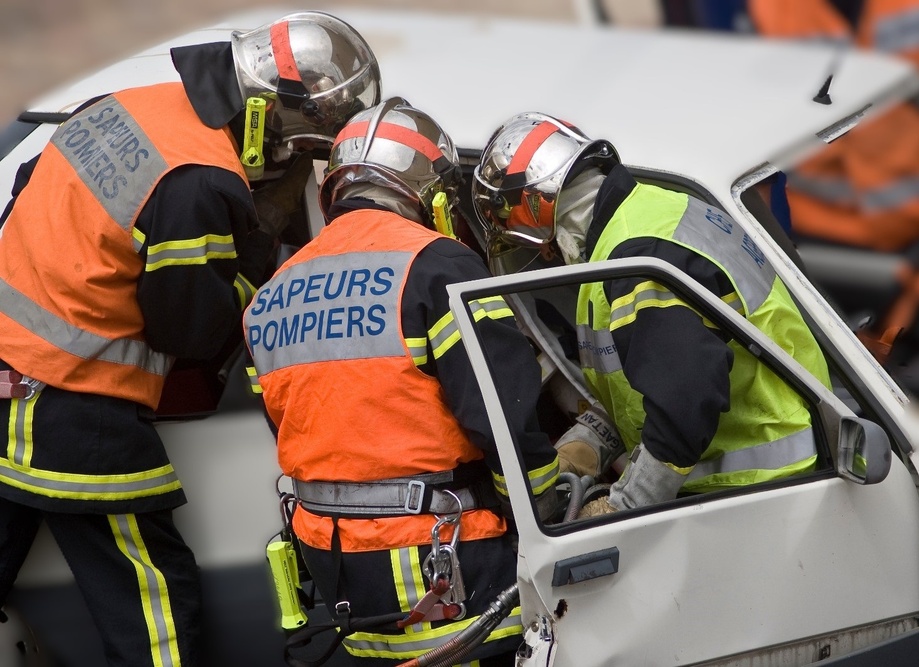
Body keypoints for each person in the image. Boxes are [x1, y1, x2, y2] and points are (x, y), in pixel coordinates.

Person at [0, 11, 380, 666]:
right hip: (70, 403)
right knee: (154, 600)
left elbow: (28, 188)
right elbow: (194, 329)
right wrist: (261, 266)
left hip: (12, 377)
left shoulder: (123, 103)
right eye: (307, 141)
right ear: (275, 118)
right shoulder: (201, 180)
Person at [243, 98, 560, 665]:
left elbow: (294, 421)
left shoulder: (272, 294)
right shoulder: (437, 264)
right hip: (445, 567)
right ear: (432, 197)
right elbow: (502, 416)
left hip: (336, 567)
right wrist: (546, 507)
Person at [472, 112, 832, 516]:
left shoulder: (634, 259)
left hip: (760, 489)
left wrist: (626, 506)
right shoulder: (648, 214)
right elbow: (648, 380)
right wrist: (591, 441)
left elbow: (684, 396)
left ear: (540, 213)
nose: (545, 254)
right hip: (774, 471)